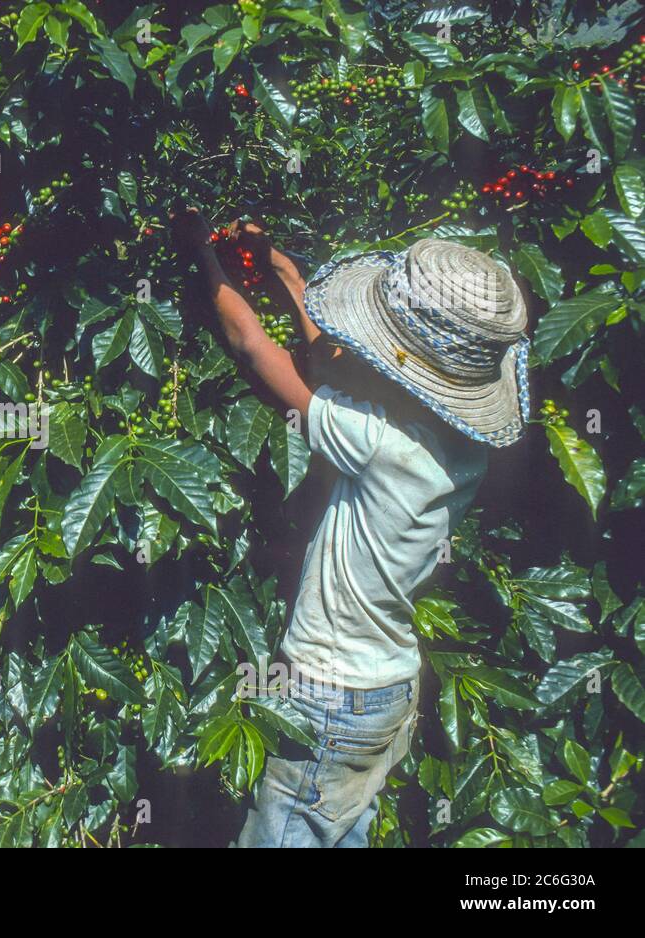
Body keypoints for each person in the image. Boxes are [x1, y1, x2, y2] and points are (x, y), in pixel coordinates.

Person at [172, 209, 529, 848]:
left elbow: (255, 349)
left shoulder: (381, 444)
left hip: (329, 697)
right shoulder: (463, 451)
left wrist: (201, 254)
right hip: (388, 690)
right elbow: (331, 368)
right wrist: (281, 267)